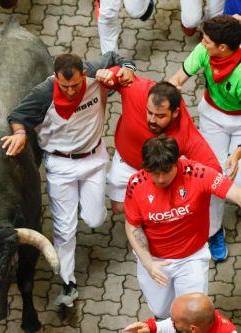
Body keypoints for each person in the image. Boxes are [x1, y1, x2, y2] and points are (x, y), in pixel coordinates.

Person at [1, 52, 136, 307]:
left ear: (84, 73)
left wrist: (125, 70)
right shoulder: (44, 93)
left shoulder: (97, 72)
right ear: (56, 79)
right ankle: (68, 283)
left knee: (95, 219)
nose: (71, 91)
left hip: (94, 159)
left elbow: (120, 58)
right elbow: (17, 117)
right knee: (64, 229)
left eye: (75, 84)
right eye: (65, 86)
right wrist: (19, 134)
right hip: (60, 164)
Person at [94, 69, 226, 262]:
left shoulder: (186, 133)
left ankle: (213, 231)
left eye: (160, 116)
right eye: (149, 112)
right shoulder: (136, 88)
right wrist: (109, 74)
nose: (151, 120)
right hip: (126, 163)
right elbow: (113, 76)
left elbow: (214, 171)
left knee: (159, 209)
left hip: (159, 171)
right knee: (118, 207)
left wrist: (185, 170)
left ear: (175, 113)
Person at [124, 136, 241, 319]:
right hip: (156, 260)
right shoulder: (135, 184)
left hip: (191, 257)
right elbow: (133, 227)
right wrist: (148, 263)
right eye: (155, 173)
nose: (161, 178)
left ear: (176, 162)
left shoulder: (199, 174)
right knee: (160, 311)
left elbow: (236, 194)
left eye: (166, 171)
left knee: (190, 314)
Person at [168, 15, 240, 260]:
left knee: (237, 181)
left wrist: (237, 152)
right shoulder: (204, 50)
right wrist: (171, 90)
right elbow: (178, 77)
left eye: (207, 41)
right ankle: (214, 231)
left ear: (223, 48)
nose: (202, 42)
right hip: (212, 117)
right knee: (215, 175)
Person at [123, 292, 238, 333]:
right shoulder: (203, 321)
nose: (171, 321)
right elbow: (168, 326)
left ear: (193, 329)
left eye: (175, 320)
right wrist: (151, 328)